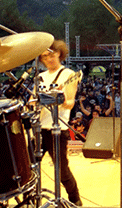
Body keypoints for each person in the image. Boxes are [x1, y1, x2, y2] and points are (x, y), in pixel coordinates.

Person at [36, 40, 82, 206]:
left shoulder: (69, 74)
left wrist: (53, 99)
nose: (49, 58)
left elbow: (70, 102)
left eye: (52, 54)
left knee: (62, 171)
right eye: (45, 56)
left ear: (59, 54)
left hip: (57, 129)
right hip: (39, 128)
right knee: (30, 166)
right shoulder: (40, 77)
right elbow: (31, 100)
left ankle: (75, 199)